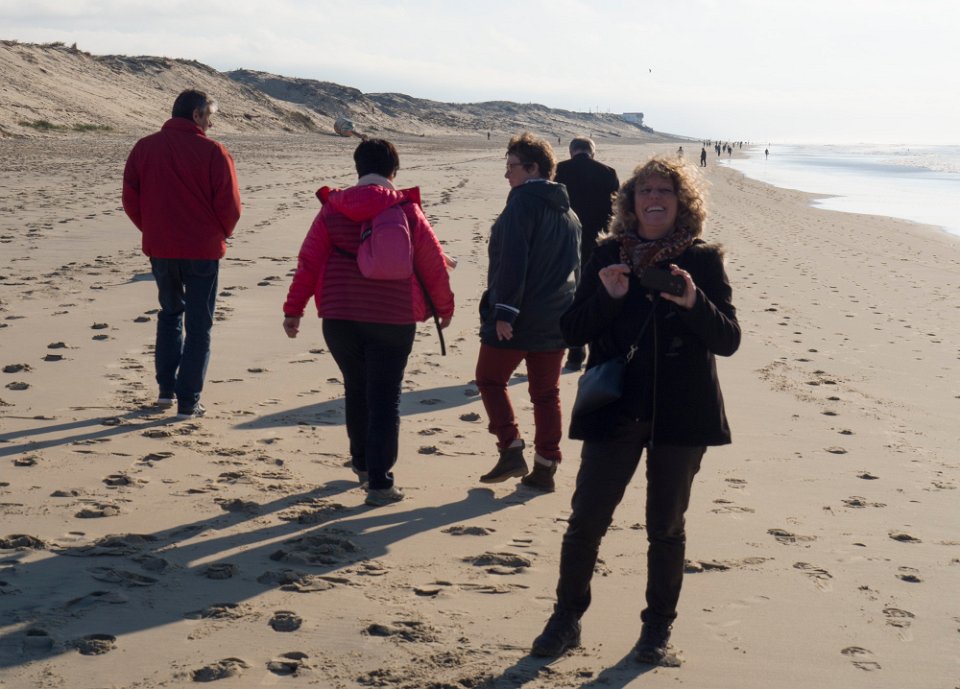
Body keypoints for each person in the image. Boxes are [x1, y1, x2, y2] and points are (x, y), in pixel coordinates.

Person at [530, 156, 740, 663]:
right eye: (645, 190)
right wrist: (608, 297)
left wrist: (694, 303)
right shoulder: (607, 254)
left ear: (681, 203)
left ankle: (656, 630)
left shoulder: (703, 260)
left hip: (681, 414)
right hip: (615, 408)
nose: (654, 198)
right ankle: (565, 619)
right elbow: (571, 330)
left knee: (665, 527)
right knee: (586, 521)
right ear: (631, 202)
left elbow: (729, 340)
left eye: (665, 191)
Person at [281, 139, 454, 507]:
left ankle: (361, 463)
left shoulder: (332, 209)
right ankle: (379, 482)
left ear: (358, 168)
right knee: (385, 398)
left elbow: (309, 261)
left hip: (340, 315)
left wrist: (293, 310)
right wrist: (444, 307)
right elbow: (432, 263)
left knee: (356, 388)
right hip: (392, 317)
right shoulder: (406, 208)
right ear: (394, 170)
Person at [122, 89, 242, 419]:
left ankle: (166, 391)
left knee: (171, 313)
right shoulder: (213, 151)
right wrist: (220, 233)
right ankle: (187, 400)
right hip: (200, 250)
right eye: (209, 116)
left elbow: (130, 198)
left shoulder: (145, 147)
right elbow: (230, 206)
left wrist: (152, 229)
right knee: (198, 325)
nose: (211, 123)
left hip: (163, 248)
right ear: (196, 115)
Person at [475, 133, 580, 493]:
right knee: (546, 394)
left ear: (534, 168)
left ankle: (510, 448)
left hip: (520, 317)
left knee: (489, 379)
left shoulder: (522, 203)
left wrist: (504, 311)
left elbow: (513, 259)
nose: (507, 174)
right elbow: (576, 270)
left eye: (512, 166)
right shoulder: (569, 213)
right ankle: (546, 465)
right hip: (556, 317)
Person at [554, 137, 619, 372]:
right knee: (593, 294)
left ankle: (574, 351)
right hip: (598, 242)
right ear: (593, 152)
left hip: (564, 241)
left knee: (569, 295)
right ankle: (591, 350)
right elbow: (617, 210)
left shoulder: (559, 170)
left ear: (571, 151)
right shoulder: (607, 172)